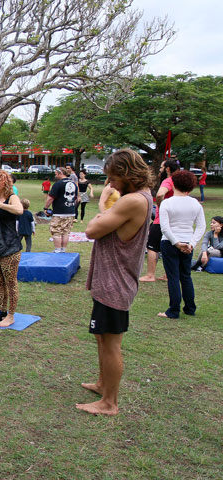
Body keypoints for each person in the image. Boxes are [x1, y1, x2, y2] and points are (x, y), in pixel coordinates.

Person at [77, 149, 153, 416]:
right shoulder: (137, 197)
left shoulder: (133, 200)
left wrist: (101, 208)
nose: (110, 184)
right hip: (111, 280)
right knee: (102, 336)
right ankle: (102, 384)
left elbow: (92, 230)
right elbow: (103, 225)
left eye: (112, 178)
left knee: (110, 342)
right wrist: (104, 210)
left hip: (116, 283)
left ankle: (109, 402)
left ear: (126, 174)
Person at [157, 170, 205, 319]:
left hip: (170, 242)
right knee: (186, 276)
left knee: (173, 277)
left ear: (174, 184)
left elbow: (164, 227)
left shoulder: (167, 203)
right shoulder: (195, 204)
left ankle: (173, 310)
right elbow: (201, 226)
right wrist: (191, 243)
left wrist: (176, 243)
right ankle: (190, 308)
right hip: (187, 243)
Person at [0, 170, 24, 328]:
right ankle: (1, 313)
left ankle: (11, 315)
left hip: (10, 247)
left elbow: (19, 210)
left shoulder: (11, 197)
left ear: (5, 182)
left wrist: (0, 205)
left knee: (11, 282)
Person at [140, 160, 179, 282]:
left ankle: (150, 275)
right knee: (170, 246)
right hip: (175, 221)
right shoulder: (180, 182)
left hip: (161, 221)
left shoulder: (168, 181)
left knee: (152, 246)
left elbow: (161, 194)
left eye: (162, 167)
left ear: (167, 169)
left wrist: (161, 206)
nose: (160, 170)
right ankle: (168, 275)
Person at [45, 167, 78, 253]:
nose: (55, 175)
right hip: (70, 211)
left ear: (60, 173)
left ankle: (57, 249)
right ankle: (63, 249)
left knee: (56, 231)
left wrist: (46, 207)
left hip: (59, 212)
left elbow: (51, 197)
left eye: (56, 173)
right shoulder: (73, 184)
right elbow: (76, 198)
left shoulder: (58, 184)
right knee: (66, 232)